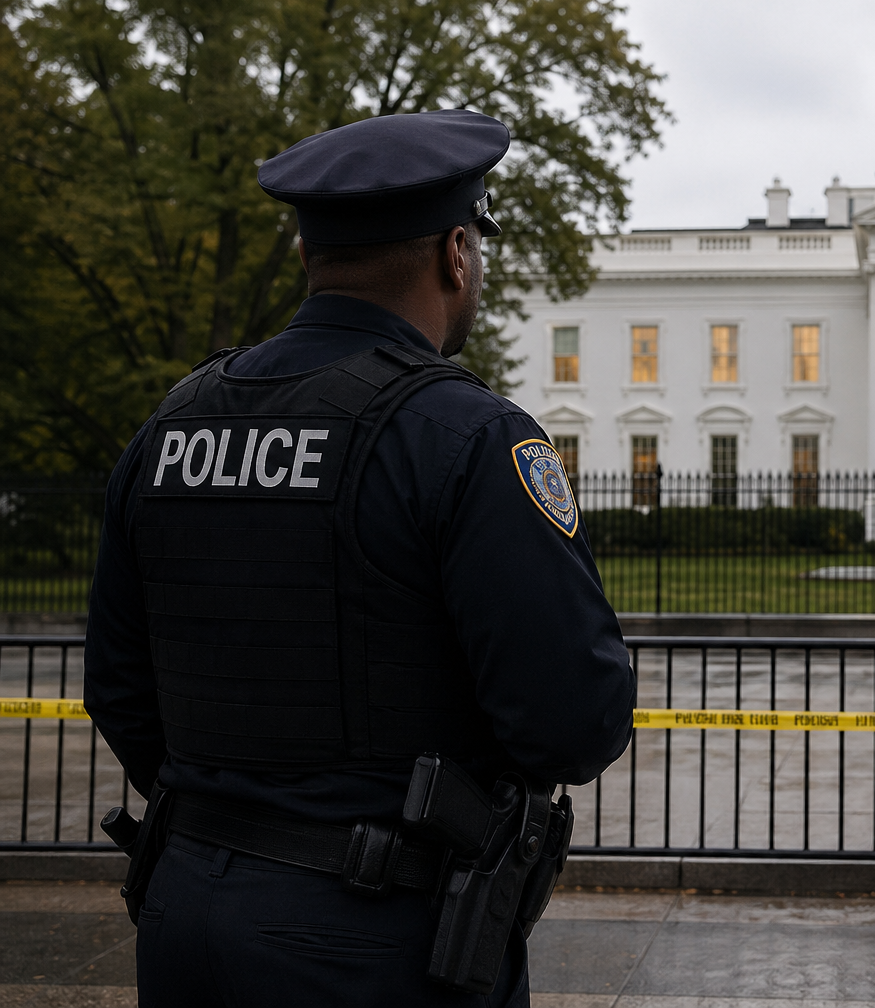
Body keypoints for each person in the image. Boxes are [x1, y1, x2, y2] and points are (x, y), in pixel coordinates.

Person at [83, 109, 636, 1007]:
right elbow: (572, 721)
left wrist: (240, 814)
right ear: (457, 253)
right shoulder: (467, 437)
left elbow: (114, 683)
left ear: (309, 257)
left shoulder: (172, 426)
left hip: (184, 911)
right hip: (376, 935)